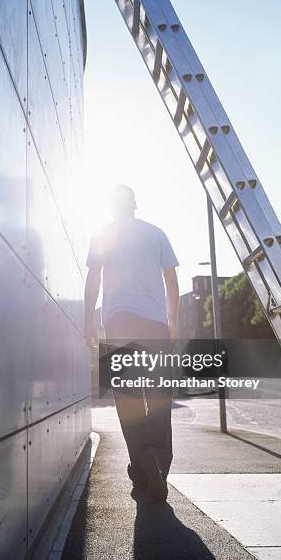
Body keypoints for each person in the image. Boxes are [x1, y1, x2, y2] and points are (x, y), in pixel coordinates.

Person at [84, 185, 179, 501]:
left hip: (118, 322)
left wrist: (89, 321)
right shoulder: (156, 234)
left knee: (128, 399)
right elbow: (172, 283)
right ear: (135, 204)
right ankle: (156, 460)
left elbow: (93, 280)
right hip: (154, 323)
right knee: (159, 396)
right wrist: (173, 322)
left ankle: (140, 465)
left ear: (111, 206)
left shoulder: (102, 234)